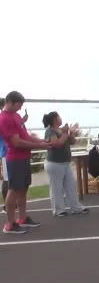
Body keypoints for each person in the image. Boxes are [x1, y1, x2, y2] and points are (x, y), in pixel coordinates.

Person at [0, 91, 48, 234]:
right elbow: (17, 142)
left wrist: (41, 140)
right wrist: (40, 146)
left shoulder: (16, 116)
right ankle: (10, 224)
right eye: (18, 105)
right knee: (13, 189)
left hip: (24, 157)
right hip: (14, 158)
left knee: (23, 188)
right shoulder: (4, 119)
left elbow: (25, 136)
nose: (20, 108)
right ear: (9, 102)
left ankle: (22, 218)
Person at [42, 112, 88, 216]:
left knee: (71, 185)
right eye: (59, 117)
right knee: (56, 188)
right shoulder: (50, 131)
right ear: (54, 119)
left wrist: (71, 132)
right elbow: (56, 144)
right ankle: (58, 210)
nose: (61, 118)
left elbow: (72, 142)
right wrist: (66, 133)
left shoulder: (62, 130)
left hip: (65, 163)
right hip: (54, 164)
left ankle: (76, 208)